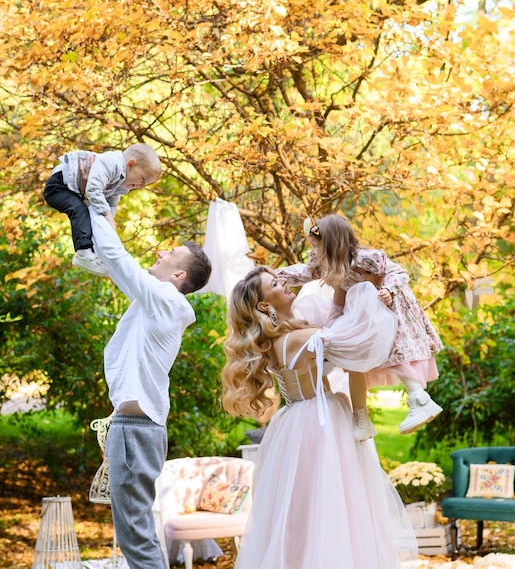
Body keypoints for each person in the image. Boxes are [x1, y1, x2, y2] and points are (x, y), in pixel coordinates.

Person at [222, 266, 417, 569]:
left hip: (295, 422)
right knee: (333, 506)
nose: (284, 283)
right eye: (275, 283)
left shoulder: (278, 342)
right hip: (321, 422)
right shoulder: (304, 338)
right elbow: (358, 343)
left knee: (302, 511)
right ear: (264, 305)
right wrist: (363, 296)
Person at [89, 205, 212, 569]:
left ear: (178, 274)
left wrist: (93, 203)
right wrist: (106, 216)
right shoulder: (155, 303)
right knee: (137, 533)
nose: (160, 251)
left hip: (135, 431)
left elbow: (118, 259)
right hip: (135, 429)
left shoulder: (166, 300)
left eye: (170, 253)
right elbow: (116, 265)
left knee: (136, 539)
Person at [276, 214, 444, 439]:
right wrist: (272, 276)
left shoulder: (364, 258)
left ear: (332, 244)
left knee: (398, 351)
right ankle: (361, 418)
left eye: (316, 245)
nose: (313, 251)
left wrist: (389, 290)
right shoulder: (326, 265)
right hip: (359, 313)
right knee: (354, 357)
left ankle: (420, 399)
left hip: (389, 308)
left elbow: (399, 272)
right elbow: (302, 274)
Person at [44, 143, 162, 276]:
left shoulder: (124, 183)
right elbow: (93, 189)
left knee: (92, 215)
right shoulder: (112, 163)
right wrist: (107, 214)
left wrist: (109, 223)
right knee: (80, 209)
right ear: (131, 164)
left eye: (145, 184)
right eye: (143, 179)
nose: (141, 186)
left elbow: (111, 202)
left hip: (74, 191)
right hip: (59, 186)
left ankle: (94, 251)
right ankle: (83, 253)